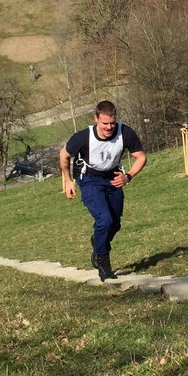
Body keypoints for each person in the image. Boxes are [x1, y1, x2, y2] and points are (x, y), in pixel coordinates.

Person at [60, 100, 146, 280]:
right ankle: (103, 264)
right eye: (105, 123)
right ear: (96, 119)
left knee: (114, 224)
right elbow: (64, 154)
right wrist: (68, 181)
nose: (109, 127)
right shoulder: (84, 137)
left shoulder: (125, 132)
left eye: (112, 123)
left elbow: (141, 157)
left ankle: (97, 240)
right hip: (90, 179)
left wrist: (128, 176)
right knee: (104, 220)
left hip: (113, 177)